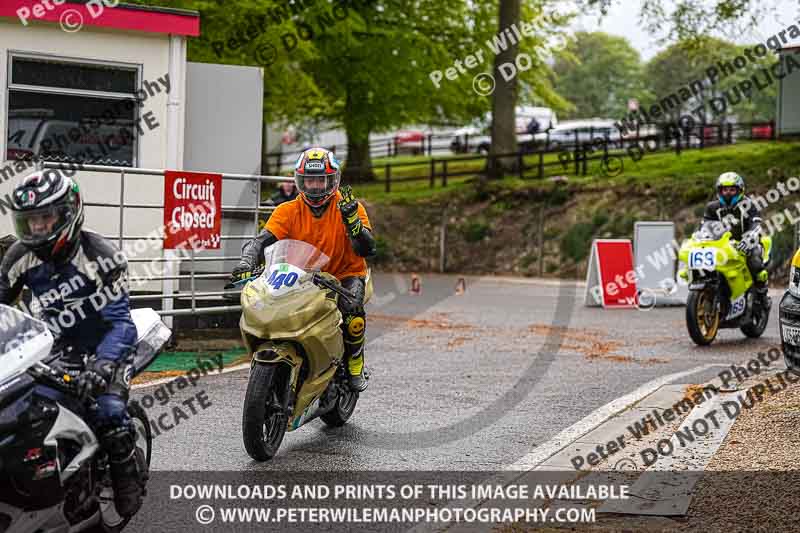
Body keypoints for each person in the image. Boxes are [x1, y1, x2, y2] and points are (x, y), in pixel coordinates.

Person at [0, 170, 143, 516]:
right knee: (19, 409)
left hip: (104, 347)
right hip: (52, 346)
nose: (37, 229)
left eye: (45, 218)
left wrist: (103, 365)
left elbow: (121, 323)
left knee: (108, 412)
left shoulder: (103, 256)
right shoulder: (19, 256)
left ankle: (127, 478)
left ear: (69, 212)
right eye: (30, 221)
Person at [232, 147, 376, 391]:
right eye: (309, 180)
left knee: (352, 312)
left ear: (333, 181)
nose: (315, 187)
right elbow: (261, 241)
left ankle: (355, 363)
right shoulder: (287, 210)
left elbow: (367, 249)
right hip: (300, 276)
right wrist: (247, 261)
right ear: (299, 180)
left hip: (344, 275)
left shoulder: (351, 207)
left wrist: (353, 225)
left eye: (321, 180)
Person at [702, 172, 768, 302]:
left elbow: (756, 224)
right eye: (725, 189)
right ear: (719, 191)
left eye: (732, 189)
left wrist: (749, 240)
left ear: (740, 190)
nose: (728, 193)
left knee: (754, 259)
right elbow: (704, 227)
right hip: (722, 246)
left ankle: (761, 294)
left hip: (747, 243)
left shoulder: (750, 205)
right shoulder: (712, 207)